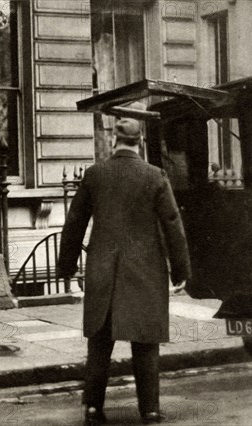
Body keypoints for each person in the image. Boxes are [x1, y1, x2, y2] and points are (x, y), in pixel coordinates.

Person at [57, 118, 191, 425]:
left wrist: (66, 267)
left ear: (112, 141)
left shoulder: (95, 175)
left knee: (100, 343)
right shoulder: (156, 175)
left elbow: (74, 223)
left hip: (103, 270)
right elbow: (173, 225)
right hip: (145, 272)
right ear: (140, 142)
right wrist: (180, 270)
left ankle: (92, 408)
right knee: (145, 343)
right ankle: (151, 411)